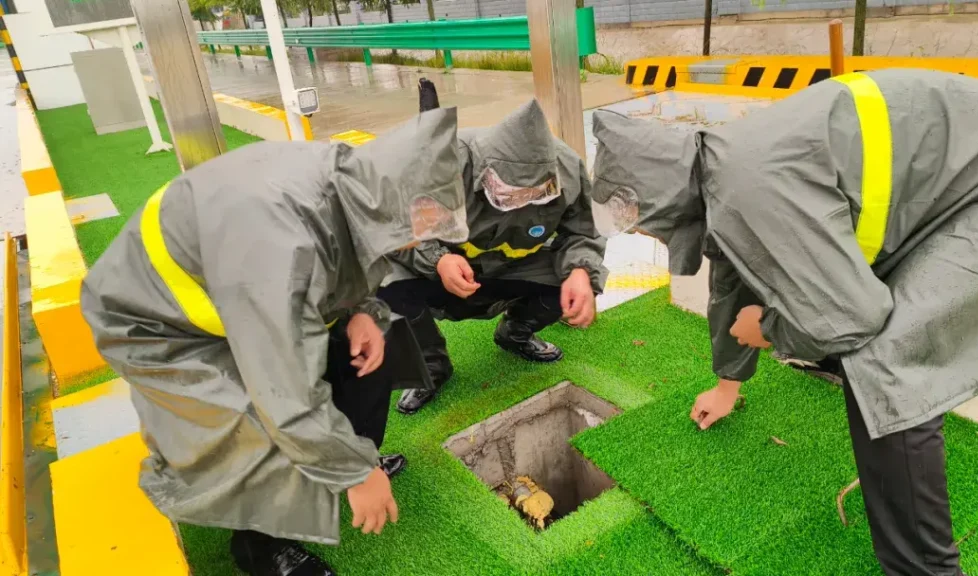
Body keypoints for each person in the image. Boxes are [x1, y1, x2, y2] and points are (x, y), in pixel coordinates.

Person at [589, 69, 978, 576]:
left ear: (657, 199)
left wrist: (771, 331)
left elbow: (854, 320)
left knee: (886, 365)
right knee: (850, 329)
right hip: (957, 181)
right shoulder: (722, 165)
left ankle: (924, 569)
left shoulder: (747, 190)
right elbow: (737, 274)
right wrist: (728, 383)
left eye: (638, 222)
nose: (643, 232)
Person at [80, 109, 469, 576]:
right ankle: (263, 551)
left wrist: (362, 310)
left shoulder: (357, 180)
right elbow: (284, 394)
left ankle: (351, 457)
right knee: (259, 416)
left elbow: (346, 251)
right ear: (391, 204)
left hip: (237, 295)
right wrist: (354, 474)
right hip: (159, 325)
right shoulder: (280, 250)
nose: (418, 241)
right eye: (418, 227)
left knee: (364, 352)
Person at [377, 94, 608, 415]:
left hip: (514, 268)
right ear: (484, 169)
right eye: (508, 192)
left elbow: (585, 228)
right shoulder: (441, 163)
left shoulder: (568, 170)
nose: (520, 200)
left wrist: (581, 271)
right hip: (448, 273)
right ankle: (432, 363)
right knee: (386, 280)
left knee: (579, 275)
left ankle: (515, 331)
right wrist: (438, 260)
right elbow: (395, 226)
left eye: (533, 193)